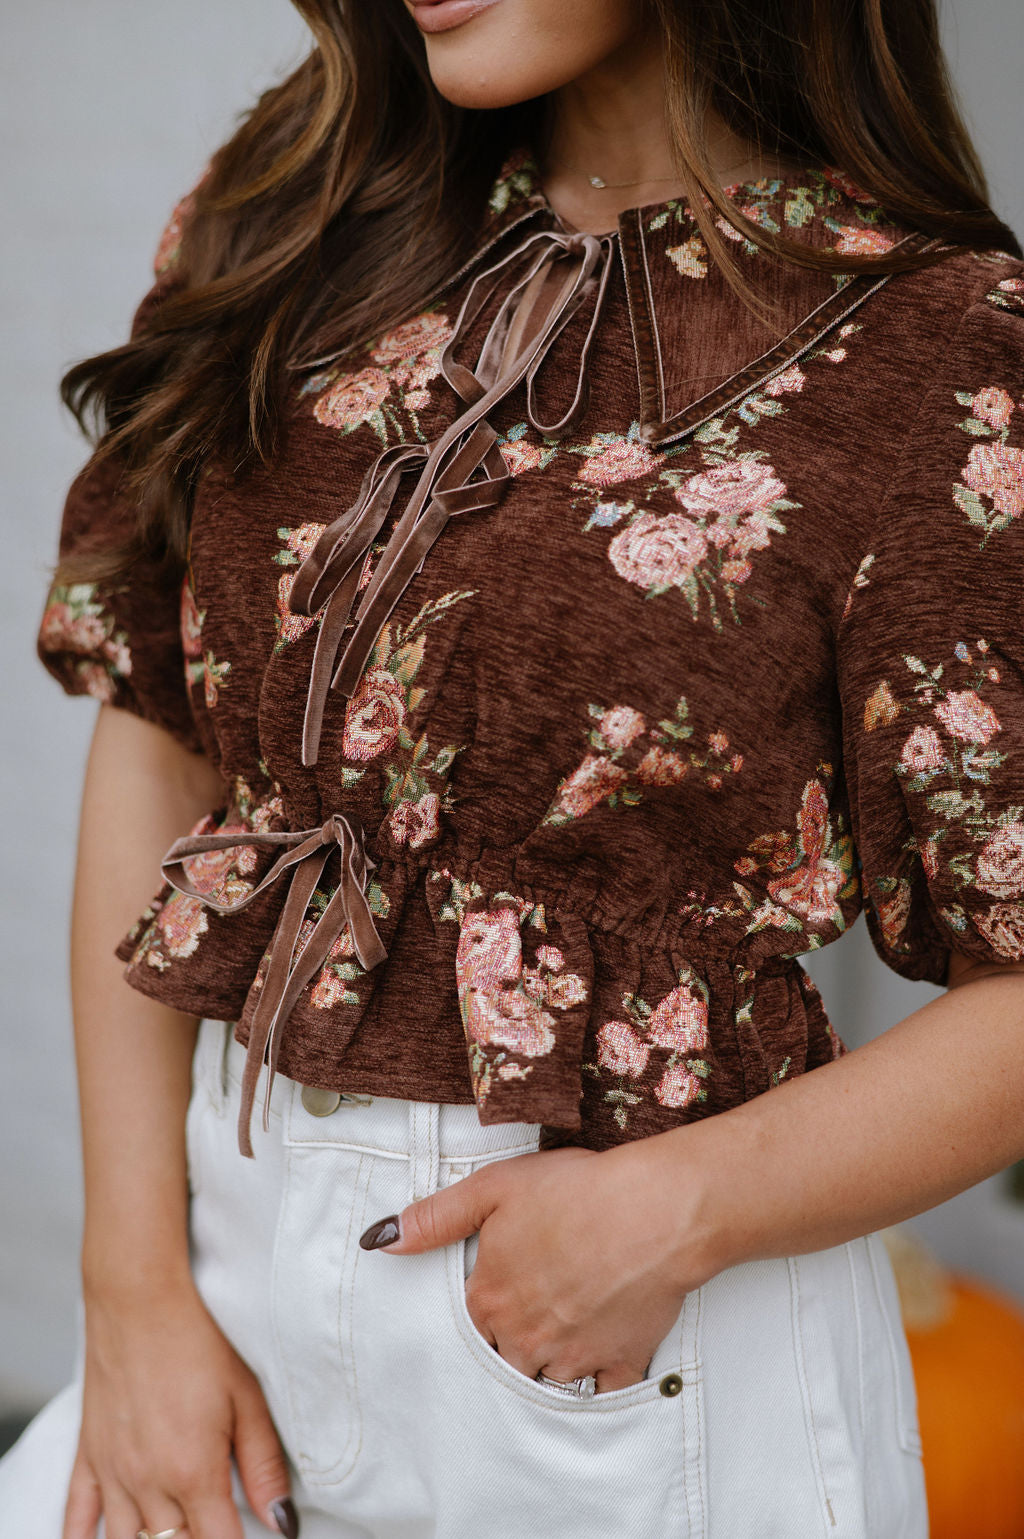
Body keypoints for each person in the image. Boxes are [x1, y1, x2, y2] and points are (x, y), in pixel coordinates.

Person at [3, 0, 1024, 1534]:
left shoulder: (944, 345)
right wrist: (131, 1292)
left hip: (633, 1349)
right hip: (220, 1306)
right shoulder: (290, 218)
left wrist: (676, 1211)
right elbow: (158, 736)